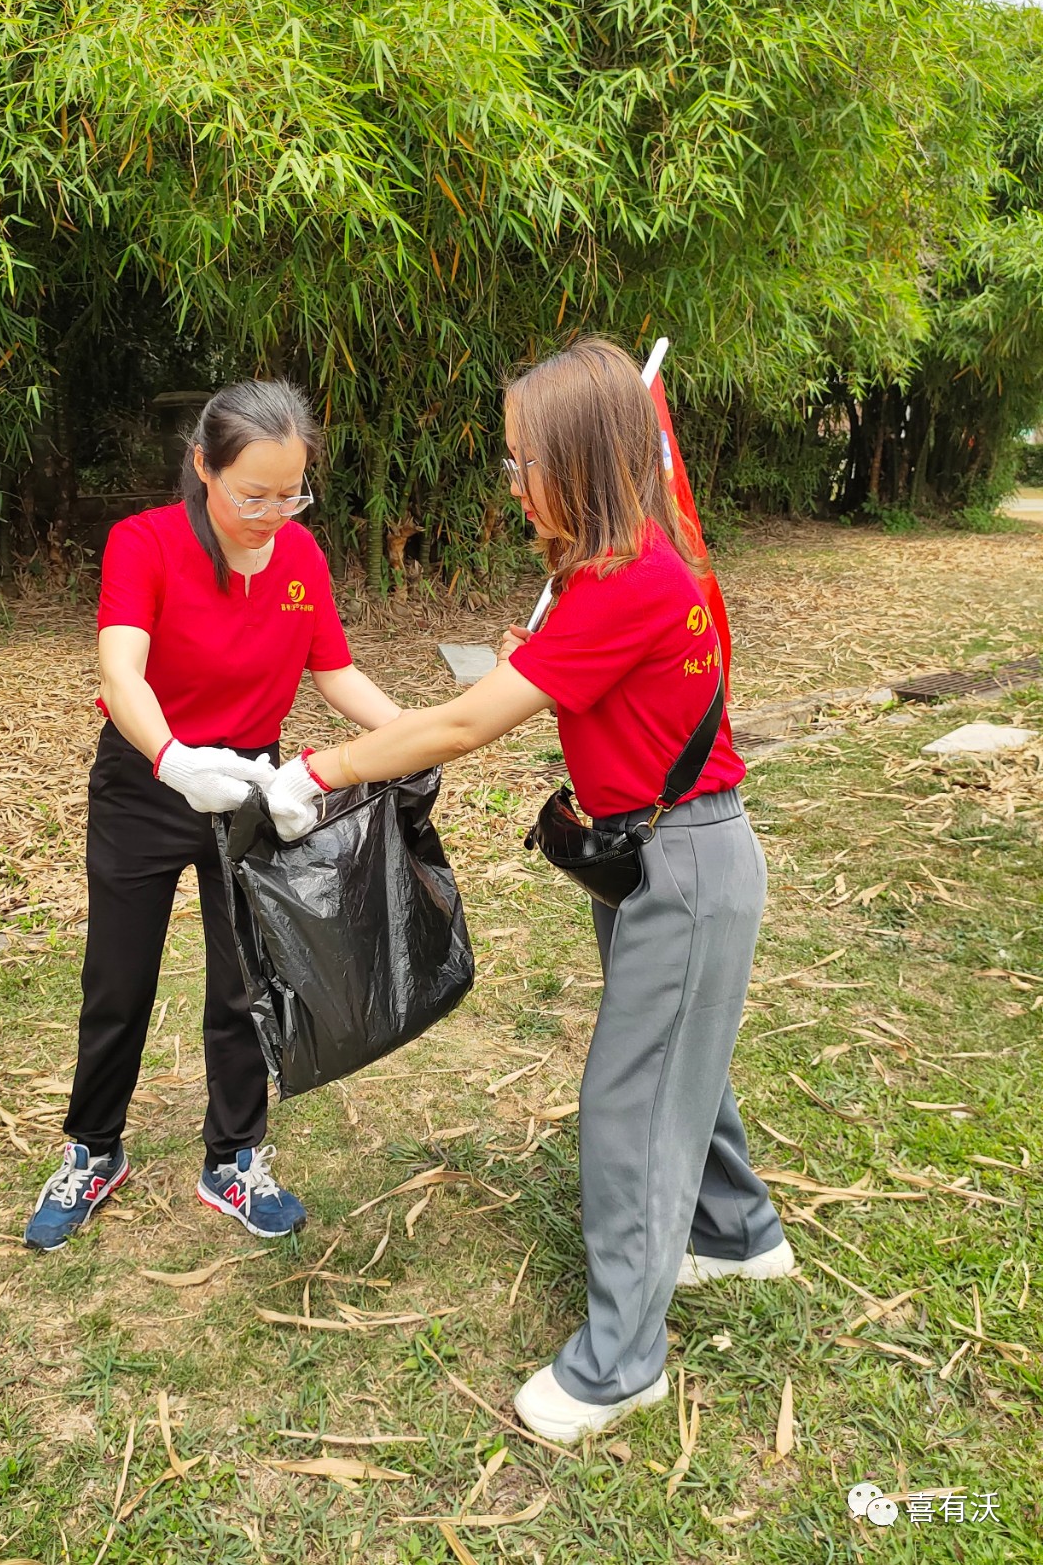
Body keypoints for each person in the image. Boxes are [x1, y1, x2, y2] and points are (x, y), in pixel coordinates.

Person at [264, 338, 794, 1442]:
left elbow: (459, 723)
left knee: (630, 1097)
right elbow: (610, 688)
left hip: (683, 865)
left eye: (521, 462)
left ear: (582, 459)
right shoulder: (629, 563)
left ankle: (619, 1363)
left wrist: (314, 768)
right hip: (665, 854)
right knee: (676, 1063)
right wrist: (545, 662)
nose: (511, 483)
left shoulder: (625, 579)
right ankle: (736, 1233)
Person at [24, 379, 399, 1251]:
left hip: (252, 789)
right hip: (149, 778)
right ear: (203, 466)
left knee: (244, 984)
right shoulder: (144, 543)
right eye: (251, 495)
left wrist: (418, 732)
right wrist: (171, 760)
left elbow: (334, 673)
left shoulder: (301, 555)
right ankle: (93, 1150)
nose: (272, 514)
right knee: (119, 977)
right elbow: (123, 673)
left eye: (291, 493)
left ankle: (234, 1157)